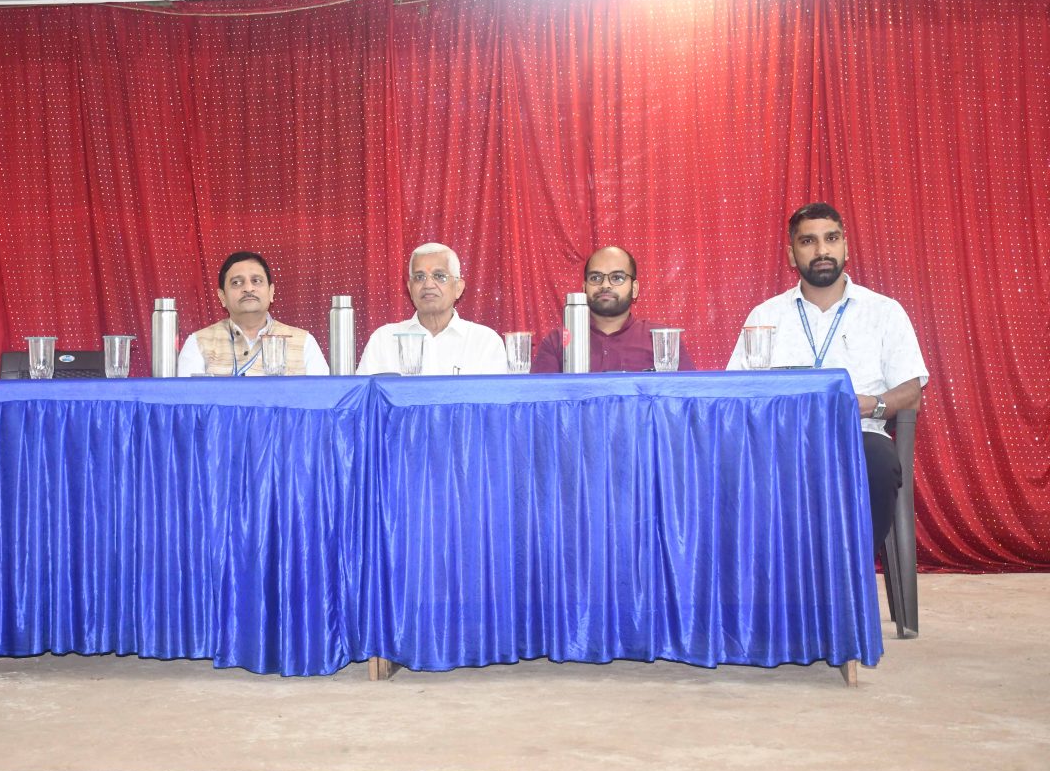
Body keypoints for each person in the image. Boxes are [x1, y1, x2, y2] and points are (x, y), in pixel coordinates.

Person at [726, 202, 928, 550]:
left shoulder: (884, 312)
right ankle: (777, 572)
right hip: (782, 439)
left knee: (878, 462)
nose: (822, 250)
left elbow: (912, 392)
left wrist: (869, 405)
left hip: (858, 434)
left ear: (845, 247)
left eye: (831, 238)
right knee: (737, 464)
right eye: (808, 241)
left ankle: (850, 568)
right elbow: (734, 389)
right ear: (791, 255)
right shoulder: (766, 315)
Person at [531, 246, 696, 373]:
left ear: (634, 289)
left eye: (617, 278)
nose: (605, 285)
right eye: (595, 278)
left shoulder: (662, 341)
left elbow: (687, 398)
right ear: (584, 288)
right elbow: (540, 401)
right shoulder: (557, 342)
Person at [356, 242, 506, 375]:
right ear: (410, 289)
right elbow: (365, 397)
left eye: (439, 276)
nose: (428, 285)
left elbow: (494, 397)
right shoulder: (384, 340)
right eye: (419, 277)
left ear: (458, 288)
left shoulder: (484, 342)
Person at [177, 251, 329, 376]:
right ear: (222, 297)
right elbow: (187, 400)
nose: (248, 288)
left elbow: (323, 398)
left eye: (256, 281)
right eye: (237, 282)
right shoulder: (198, 343)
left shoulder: (304, 343)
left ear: (271, 292)